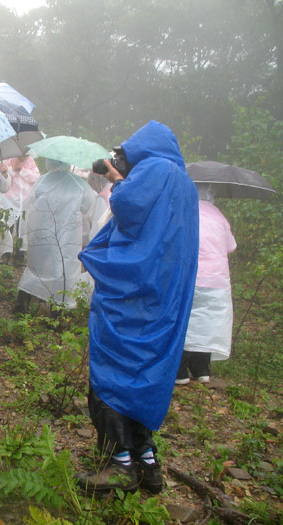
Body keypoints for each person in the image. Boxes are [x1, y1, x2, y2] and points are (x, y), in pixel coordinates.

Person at [76, 121, 199, 494]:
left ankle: (118, 464)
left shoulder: (154, 169)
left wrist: (119, 180)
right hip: (164, 294)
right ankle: (147, 463)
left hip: (134, 295)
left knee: (113, 373)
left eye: (124, 157)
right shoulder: (183, 181)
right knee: (145, 375)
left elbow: (128, 208)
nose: (121, 164)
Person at [14, 159, 96, 313]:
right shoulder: (80, 185)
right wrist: (85, 238)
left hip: (41, 233)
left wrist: (28, 235)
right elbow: (87, 210)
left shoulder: (42, 181)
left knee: (37, 267)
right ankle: (58, 307)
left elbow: (29, 206)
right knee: (64, 269)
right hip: (69, 236)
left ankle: (24, 300)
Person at [176, 183, 237, 385]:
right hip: (217, 280)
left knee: (186, 321)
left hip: (190, 276)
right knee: (208, 324)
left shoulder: (185, 212)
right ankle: (202, 370)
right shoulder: (219, 215)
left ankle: (181, 371)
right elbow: (231, 246)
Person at [0, 154, 41, 262]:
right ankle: (6, 253)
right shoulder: (8, 160)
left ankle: (20, 254)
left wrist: (22, 170)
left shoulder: (30, 161)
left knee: (23, 227)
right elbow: (4, 176)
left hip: (25, 199)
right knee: (7, 225)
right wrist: (13, 168)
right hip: (10, 198)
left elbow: (36, 177)